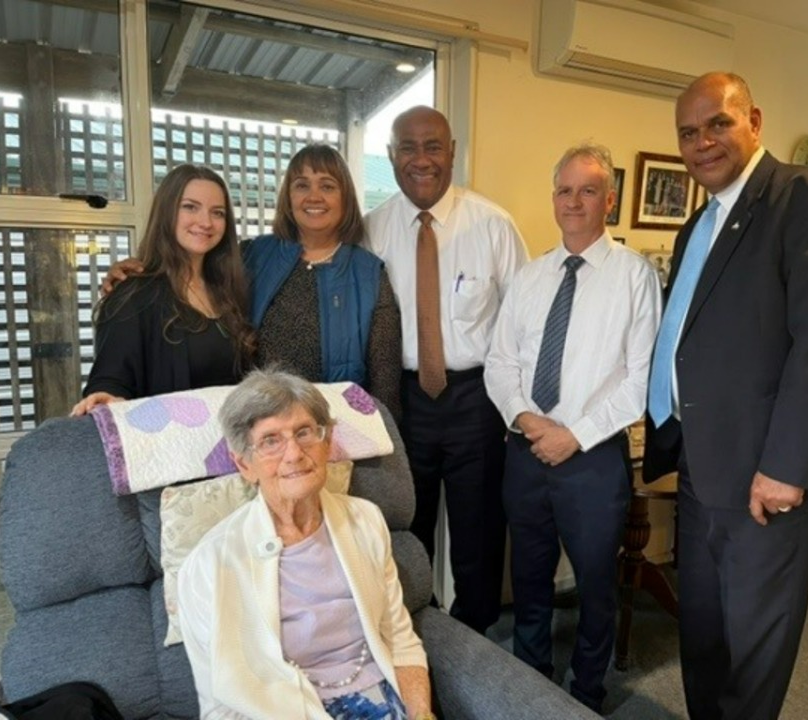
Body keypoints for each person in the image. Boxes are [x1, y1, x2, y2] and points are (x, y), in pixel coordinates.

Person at [642, 72, 808, 720]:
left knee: (753, 652)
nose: (702, 142)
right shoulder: (697, 227)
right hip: (701, 467)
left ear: (755, 121)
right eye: (689, 132)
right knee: (705, 638)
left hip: (767, 480)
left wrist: (786, 467)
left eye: (718, 123)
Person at [484, 143, 661, 712]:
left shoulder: (634, 277)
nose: (575, 201)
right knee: (530, 578)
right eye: (565, 190)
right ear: (553, 198)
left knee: (594, 586)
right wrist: (526, 418)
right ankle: (533, 675)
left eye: (588, 190)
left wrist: (573, 434)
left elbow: (640, 381)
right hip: (526, 451)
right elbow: (500, 362)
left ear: (608, 199)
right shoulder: (531, 277)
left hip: (591, 459)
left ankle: (588, 689)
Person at [177, 368, 434, 720]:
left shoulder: (366, 521)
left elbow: (402, 643)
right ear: (243, 464)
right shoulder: (209, 564)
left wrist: (422, 715)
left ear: (327, 443)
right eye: (270, 441)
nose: (294, 453)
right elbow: (220, 706)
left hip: (382, 700)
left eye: (304, 432)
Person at [364, 106, 529, 634]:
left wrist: (516, 407)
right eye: (407, 148)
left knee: (478, 532)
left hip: (475, 399)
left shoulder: (493, 225)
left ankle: (475, 634)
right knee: (406, 529)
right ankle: (420, 634)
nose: (421, 159)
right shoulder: (370, 230)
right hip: (400, 399)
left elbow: (525, 322)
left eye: (432, 146)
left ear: (452, 151)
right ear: (391, 156)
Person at [98, 145, 403, 418]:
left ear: (346, 197)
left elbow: (385, 378)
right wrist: (136, 270)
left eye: (328, 185)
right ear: (288, 196)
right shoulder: (253, 256)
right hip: (253, 428)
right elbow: (186, 265)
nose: (314, 196)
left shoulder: (368, 273)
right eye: (301, 185)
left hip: (333, 427)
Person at [71, 164, 254, 415]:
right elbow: (110, 380)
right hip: (170, 446)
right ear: (167, 212)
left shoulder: (230, 289)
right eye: (190, 207)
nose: (206, 222)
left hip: (232, 446)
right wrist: (106, 399)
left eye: (218, 213)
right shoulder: (132, 294)